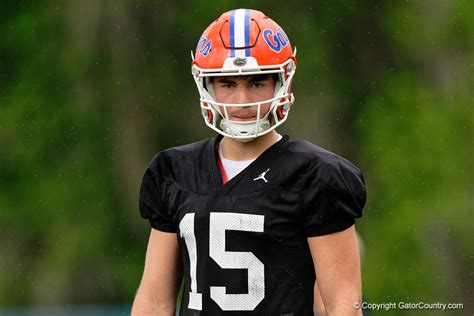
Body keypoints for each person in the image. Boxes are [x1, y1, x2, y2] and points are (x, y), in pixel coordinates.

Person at [131, 8, 366, 316]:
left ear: (284, 83)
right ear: (207, 86)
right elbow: (155, 301)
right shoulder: (176, 171)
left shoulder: (315, 176)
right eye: (228, 84)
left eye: (257, 83)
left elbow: (343, 306)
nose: (242, 101)